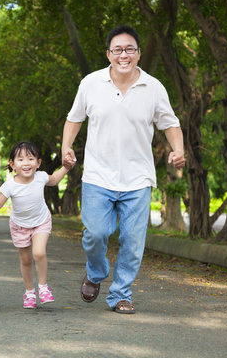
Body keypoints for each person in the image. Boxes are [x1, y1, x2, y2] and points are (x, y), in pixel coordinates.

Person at [62, 25, 185, 314]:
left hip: (138, 178)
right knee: (95, 234)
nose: (124, 54)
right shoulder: (91, 83)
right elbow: (74, 119)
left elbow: (170, 123)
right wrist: (66, 146)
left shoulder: (153, 87)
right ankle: (95, 272)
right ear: (108, 54)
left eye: (130, 49)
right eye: (117, 50)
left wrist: (178, 150)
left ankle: (120, 295)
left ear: (139, 53)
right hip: (97, 176)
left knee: (132, 241)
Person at [0, 141, 73, 309]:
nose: (26, 163)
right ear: (12, 164)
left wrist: (67, 167)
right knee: (25, 260)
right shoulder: (10, 185)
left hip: (41, 222)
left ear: (38, 163)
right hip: (19, 226)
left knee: (39, 253)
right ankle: (29, 292)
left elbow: (54, 180)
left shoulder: (40, 177)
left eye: (31, 159)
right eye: (20, 160)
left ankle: (43, 287)